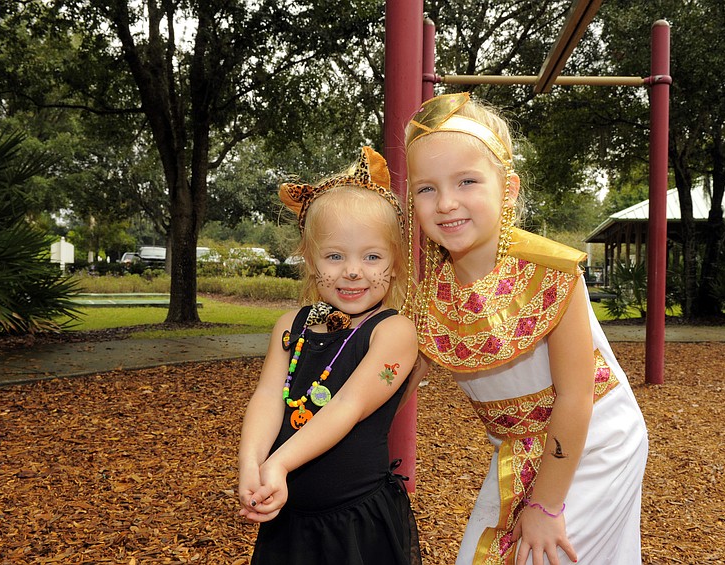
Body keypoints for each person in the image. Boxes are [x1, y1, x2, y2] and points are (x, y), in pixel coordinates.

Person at [402, 92, 649, 565]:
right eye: (426, 188)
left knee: (539, 556)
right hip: (516, 451)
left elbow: (576, 396)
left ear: (508, 190)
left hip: (595, 440)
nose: (446, 202)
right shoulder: (428, 292)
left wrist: (545, 505)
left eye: (467, 181)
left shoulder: (551, 271)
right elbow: (396, 379)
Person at [237, 146, 422, 565]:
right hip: (289, 522)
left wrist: (279, 464)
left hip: (357, 524)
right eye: (335, 256)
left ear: (394, 264)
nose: (353, 271)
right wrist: (252, 465)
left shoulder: (393, 332)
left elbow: (347, 406)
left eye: (372, 256)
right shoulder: (290, 327)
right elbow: (268, 398)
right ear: (309, 260)